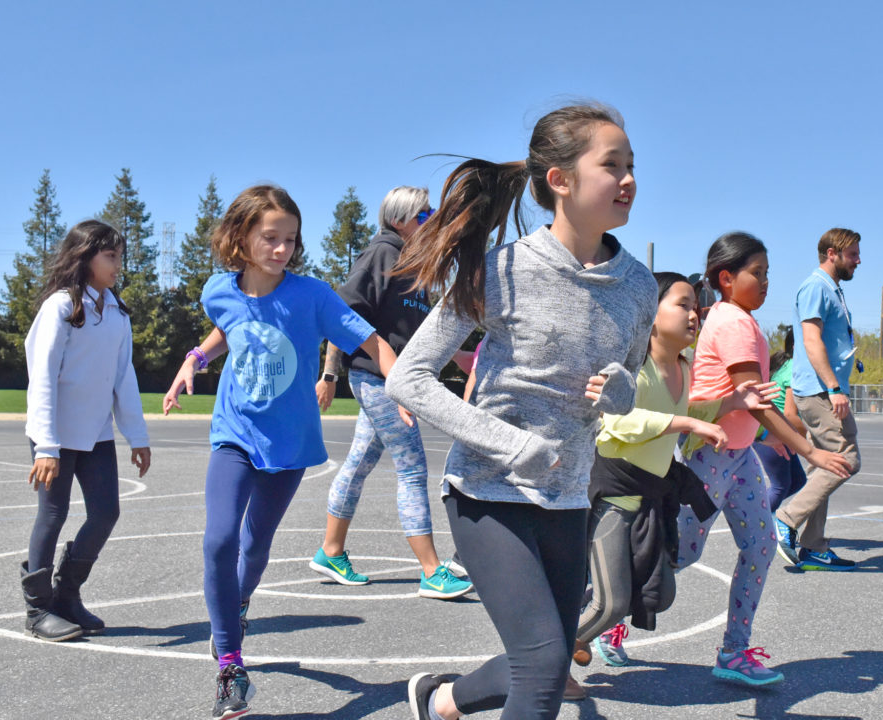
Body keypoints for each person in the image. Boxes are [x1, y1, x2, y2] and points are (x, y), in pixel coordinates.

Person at [387, 103, 657, 720]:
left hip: (566, 498)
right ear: (559, 180)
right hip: (487, 493)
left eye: (632, 166)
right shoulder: (502, 268)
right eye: (611, 165)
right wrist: (510, 446)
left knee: (551, 659)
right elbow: (410, 378)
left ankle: (442, 700)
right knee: (541, 674)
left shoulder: (639, 285)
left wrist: (620, 393)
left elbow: (629, 382)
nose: (628, 180)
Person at [162, 185, 402, 720]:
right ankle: (230, 662)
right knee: (220, 539)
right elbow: (230, 327)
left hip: (290, 442)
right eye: (270, 238)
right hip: (235, 432)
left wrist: (401, 384)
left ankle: (238, 604)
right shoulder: (218, 289)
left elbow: (371, 342)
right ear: (240, 238)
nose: (281, 249)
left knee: (256, 544)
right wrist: (193, 360)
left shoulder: (312, 296)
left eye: (289, 239)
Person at [567, 271, 776, 698]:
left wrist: (732, 402)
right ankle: (546, 661)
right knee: (611, 604)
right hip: (614, 496)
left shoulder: (681, 366)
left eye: (696, 306)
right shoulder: (632, 367)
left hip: (650, 499)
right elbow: (618, 423)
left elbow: (690, 405)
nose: (694, 314)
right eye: (682, 304)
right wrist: (686, 422)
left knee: (657, 594)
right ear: (651, 313)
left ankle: (567, 638)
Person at [678, 231, 852, 685]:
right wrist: (808, 449)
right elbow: (755, 402)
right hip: (709, 457)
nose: (767, 281)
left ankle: (733, 653)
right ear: (727, 278)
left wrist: (774, 439)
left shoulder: (738, 317)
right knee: (679, 553)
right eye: (758, 273)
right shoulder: (733, 323)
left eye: (768, 272)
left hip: (737, 458)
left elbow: (756, 403)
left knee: (759, 546)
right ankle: (602, 610)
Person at [310, 185, 471, 600]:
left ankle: (330, 551)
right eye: (423, 215)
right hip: (376, 378)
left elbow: (416, 338)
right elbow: (343, 315)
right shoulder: (382, 253)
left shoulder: (413, 264)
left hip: (395, 379)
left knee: (359, 463)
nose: (431, 220)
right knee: (413, 466)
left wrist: (459, 357)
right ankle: (433, 571)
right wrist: (329, 375)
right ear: (399, 219)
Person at [22, 219, 151, 642]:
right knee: (53, 514)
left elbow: (123, 378)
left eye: (119, 256)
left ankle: (66, 596)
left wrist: (138, 437)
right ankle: (38, 612)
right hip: (55, 437)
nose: (117, 265)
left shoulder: (116, 312)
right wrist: (45, 445)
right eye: (109, 256)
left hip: (96, 435)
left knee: (106, 512)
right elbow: (41, 376)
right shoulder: (60, 306)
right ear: (85, 256)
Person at [774, 227, 864, 571]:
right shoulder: (815, 286)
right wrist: (834, 387)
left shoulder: (831, 289)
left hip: (822, 388)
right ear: (832, 254)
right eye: (853, 254)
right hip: (820, 392)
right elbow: (810, 341)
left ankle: (813, 547)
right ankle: (785, 518)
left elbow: (828, 339)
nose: (858, 260)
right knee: (847, 459)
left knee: (823, 465)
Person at [754, 326, 810, 562]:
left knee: (798, 481)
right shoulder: (794, 371)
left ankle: (765, 521)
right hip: (772, 432)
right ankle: (757, 526)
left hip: (777, 431)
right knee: (781, 484)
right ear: (798, 347)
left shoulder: (788, 366)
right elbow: (790, 414)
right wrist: (809, 440)